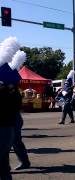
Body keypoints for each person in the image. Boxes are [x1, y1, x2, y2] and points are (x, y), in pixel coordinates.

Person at [0, 37, 26, 180]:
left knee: (16, 141)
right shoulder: (7, 93)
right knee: (3, 167)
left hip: (6, 128)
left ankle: (24, 161)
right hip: (5, 128)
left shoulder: (9, 95)